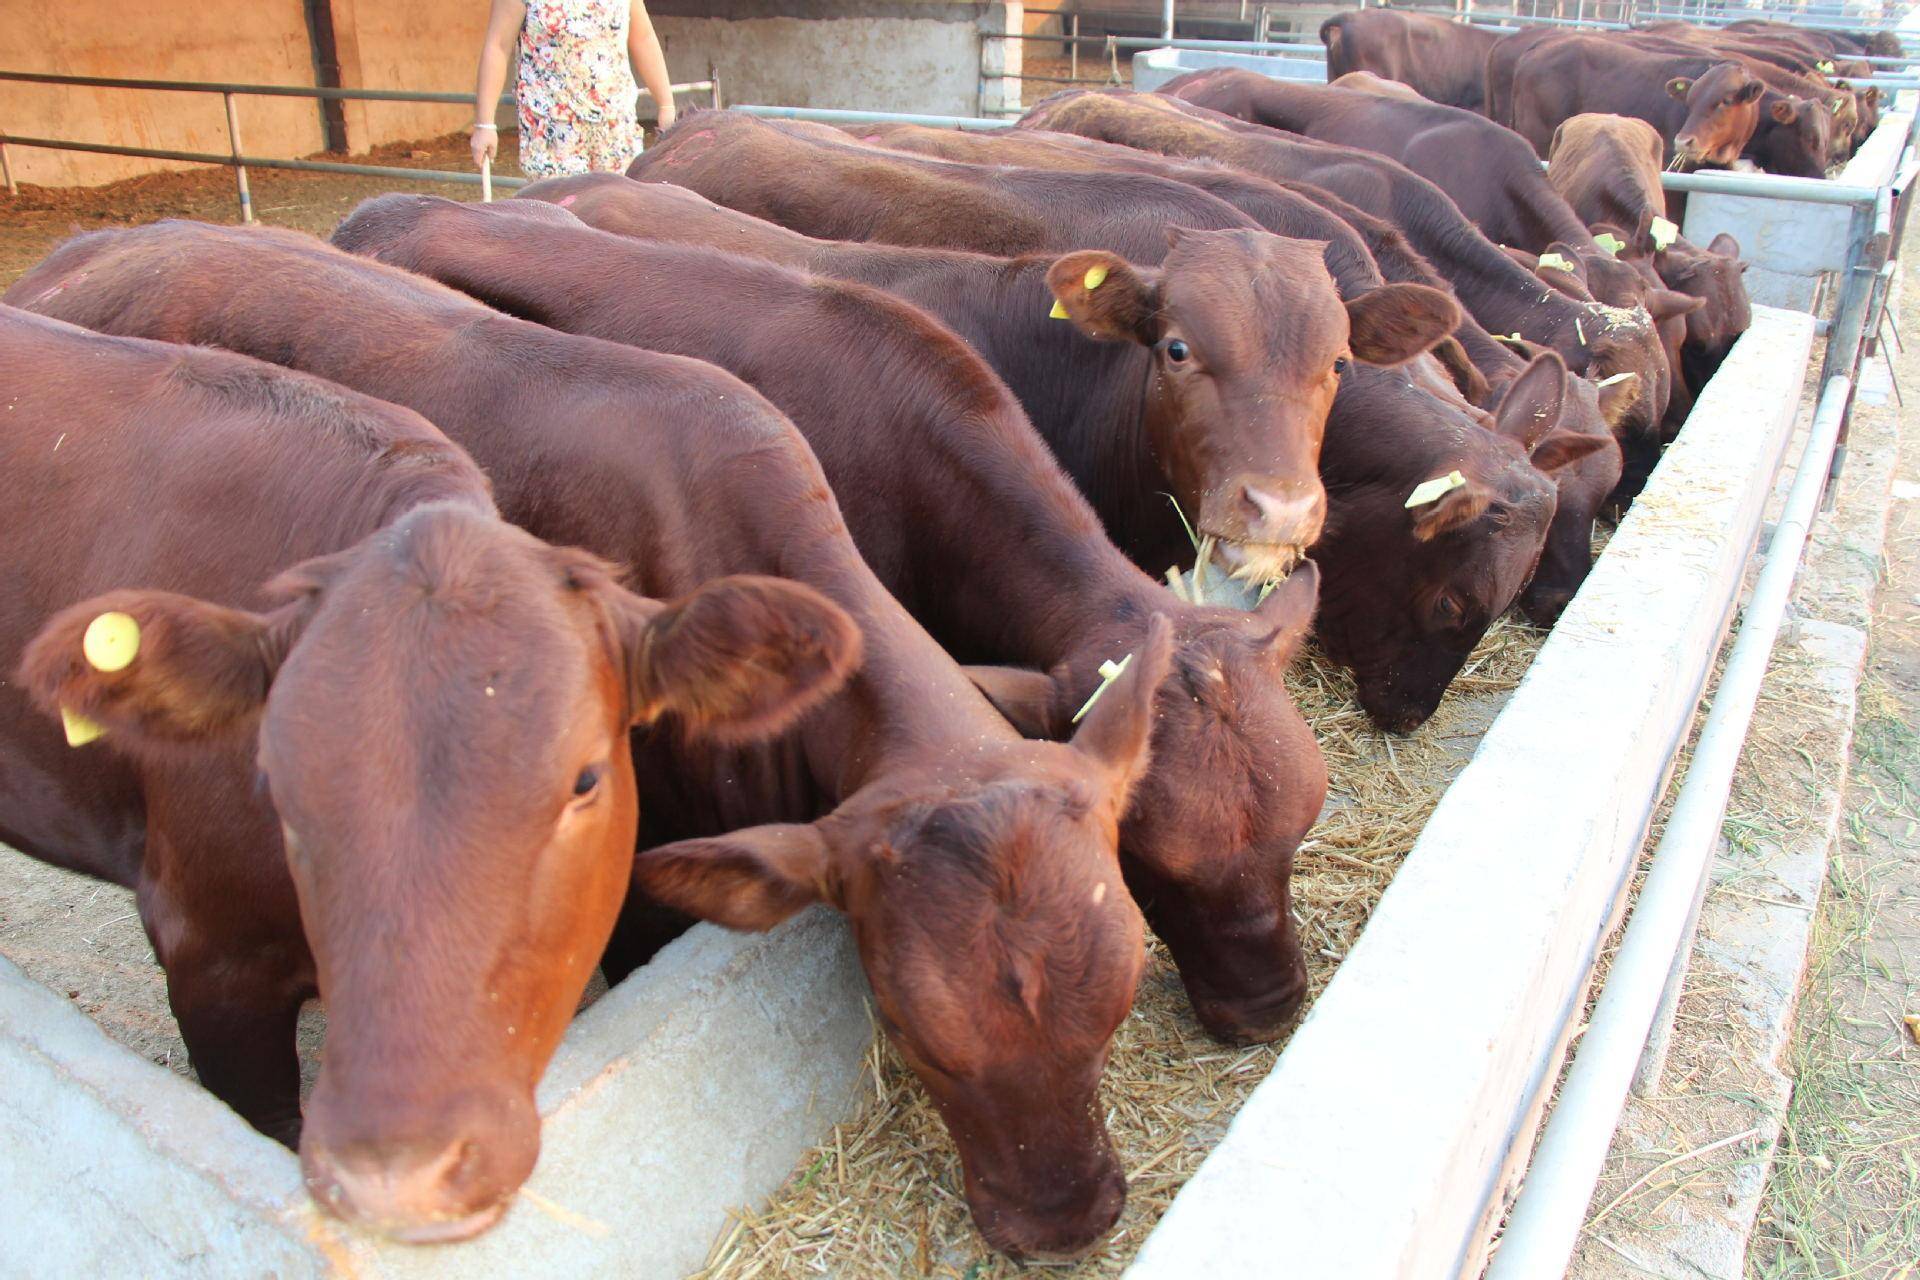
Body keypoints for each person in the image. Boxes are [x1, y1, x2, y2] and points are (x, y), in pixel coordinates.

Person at [472, 0, 676, 179]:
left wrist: (666, 104)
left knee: (617, 212)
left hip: (616, 126)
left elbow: (643, 38)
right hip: (553, 129)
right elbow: (498, 46)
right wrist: (485, 125)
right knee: (562, 214)